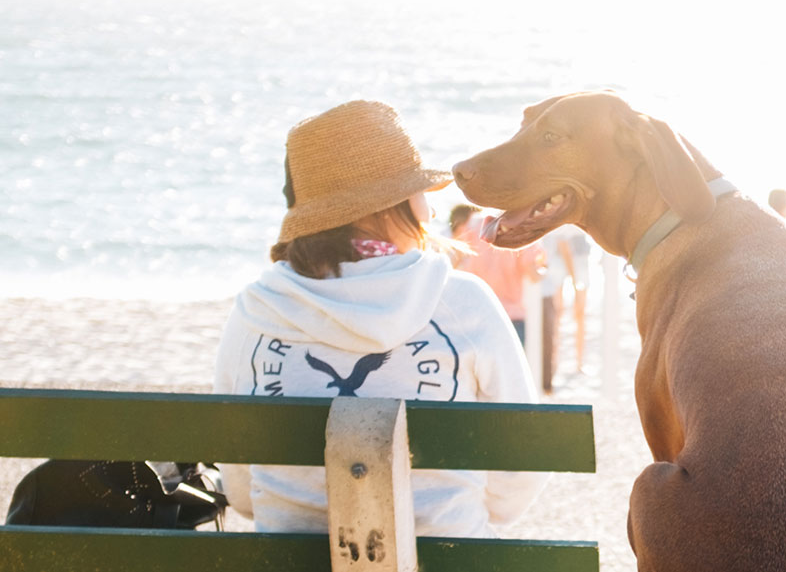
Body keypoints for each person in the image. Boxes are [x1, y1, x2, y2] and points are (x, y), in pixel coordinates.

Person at [212, 100, 546, 537]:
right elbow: (522, 460)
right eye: (420, 192)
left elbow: (240, 490)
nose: (428, 210)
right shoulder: (462, 303)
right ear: (387, 206)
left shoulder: (256, 310)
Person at [455, 213, 545, 345]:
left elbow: (457, 261)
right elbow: (534, 275)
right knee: (512, 365)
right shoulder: (523, 226)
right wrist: (545, 269)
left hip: (477, 315)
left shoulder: (476, 223)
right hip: (510, 317)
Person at [539, 224, 593, 389]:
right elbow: (562, 244)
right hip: (563, 257)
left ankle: (576, 361)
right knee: (562, 314)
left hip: (573, 257)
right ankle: (565, 361)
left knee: (574, 313)